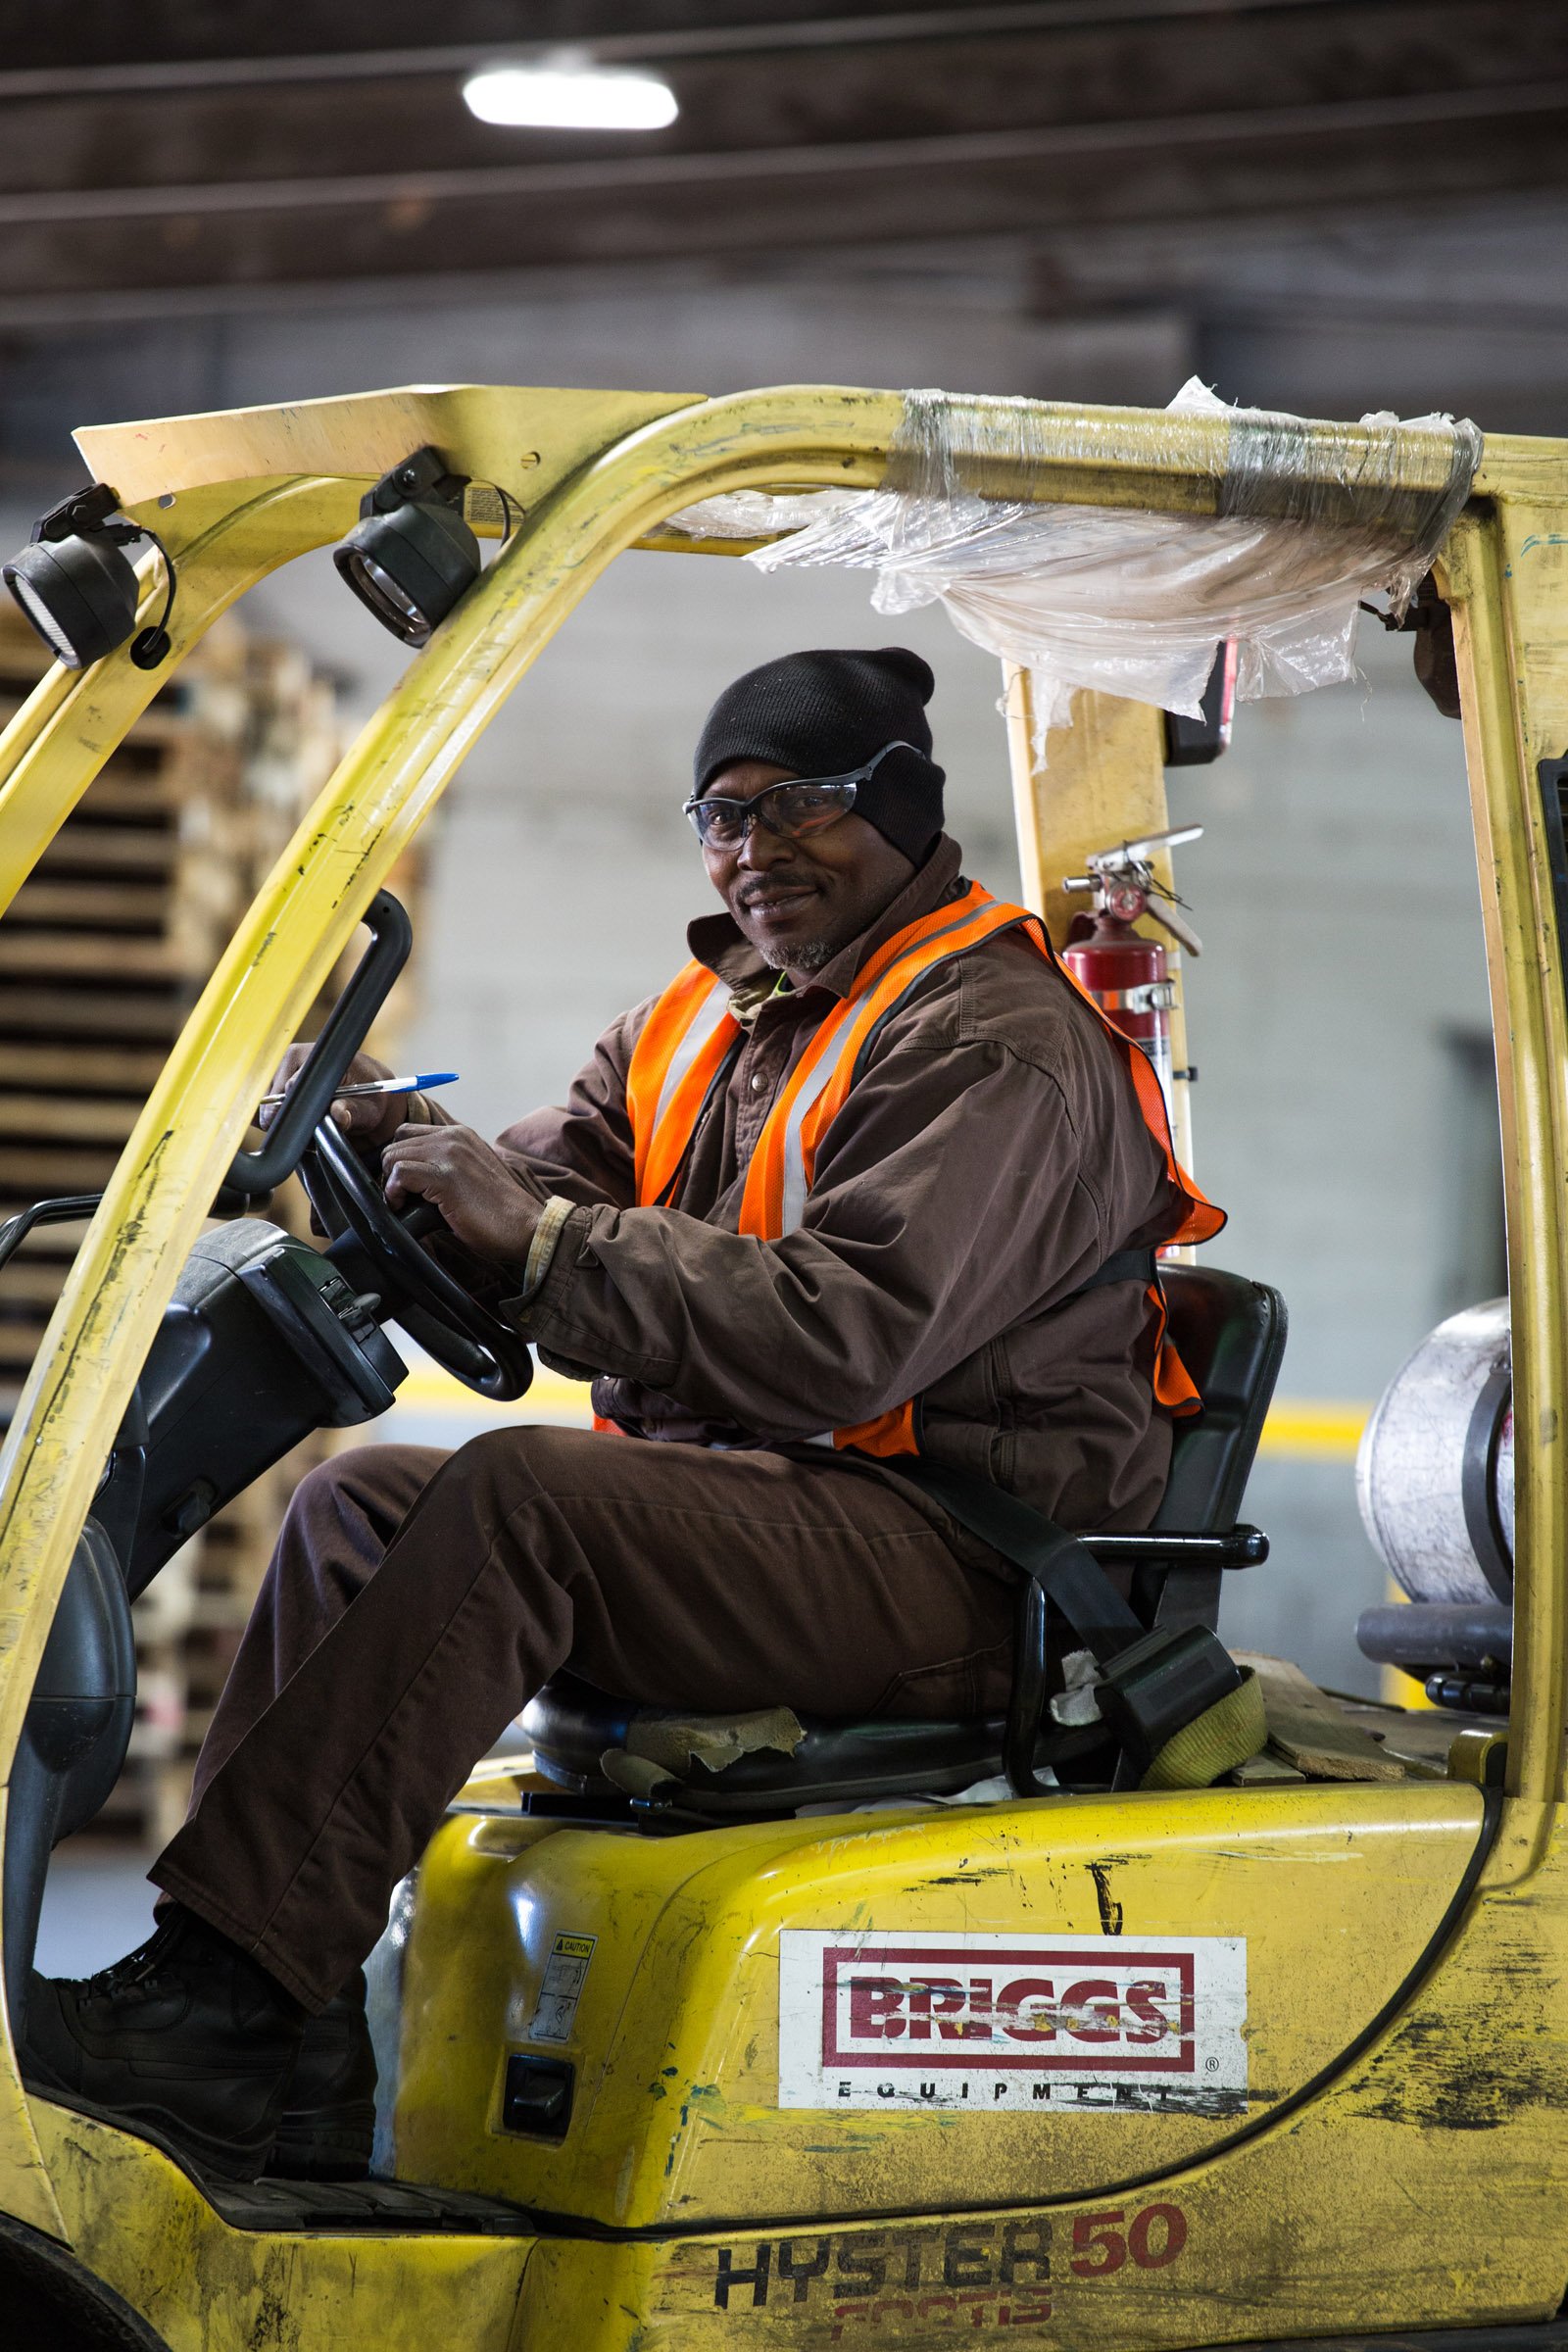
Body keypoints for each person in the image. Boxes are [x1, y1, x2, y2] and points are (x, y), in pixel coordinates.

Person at [23, 646, 1219, 2183]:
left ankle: (225, 2001)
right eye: (718, 816)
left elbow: (842, 1333)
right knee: (359, 1503)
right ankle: (276, 2023)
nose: (751, 850)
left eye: (798, 808)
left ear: (908, 810)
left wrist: (536, 1243)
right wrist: (396, 1141)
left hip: (962, 1557)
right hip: (778, 1520)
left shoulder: (991, 1040)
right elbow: (551, 1186)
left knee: (521, 1500)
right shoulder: (707, 1018)